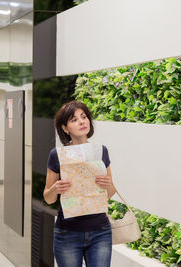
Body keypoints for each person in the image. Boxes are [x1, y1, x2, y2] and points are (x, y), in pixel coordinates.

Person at [44, 100, 117, 267]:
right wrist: (56, 189)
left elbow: (110, 193)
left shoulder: (101, 151)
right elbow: (48, 198)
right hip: (67, 233)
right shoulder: (57, 155)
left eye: (83, 117)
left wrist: (108, 184)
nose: (82, 122)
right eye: (74, 120)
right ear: (65, 128)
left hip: (100, 231)